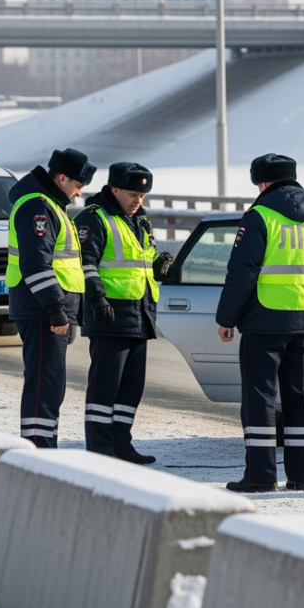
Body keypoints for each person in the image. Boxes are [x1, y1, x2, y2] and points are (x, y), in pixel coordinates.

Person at [216, 154, 304, 493]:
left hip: (264, 322)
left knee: (260, 399)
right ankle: (301, 477)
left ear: (263, 183)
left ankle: (261, 475)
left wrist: (226, 319)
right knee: (301, 399)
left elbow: (242, 273)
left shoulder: (260, 216)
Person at [73, 162, 175, 465]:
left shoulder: (140, 220)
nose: (138, 200)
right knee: (104, 389)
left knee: (131, 390)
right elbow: (85, 263)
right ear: (114, 189)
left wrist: (158, 267)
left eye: (142, 196)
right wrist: (97, 299)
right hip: (109, 315)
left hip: (140, 314)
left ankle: (122, 445)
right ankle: (100, 448)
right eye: (133, 194)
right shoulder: (93, 218)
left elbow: (139, 265)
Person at [6, 148, 96, 448]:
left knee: (51, 384)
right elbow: (36, 264)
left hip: (47, 309)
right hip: (42, 310)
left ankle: (43, 446)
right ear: (61, 178)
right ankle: (37, 450)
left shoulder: (52, 206)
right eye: (78, 185)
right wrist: (55, 307)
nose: (80, 192)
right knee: (45, 384)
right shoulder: (38, 207)